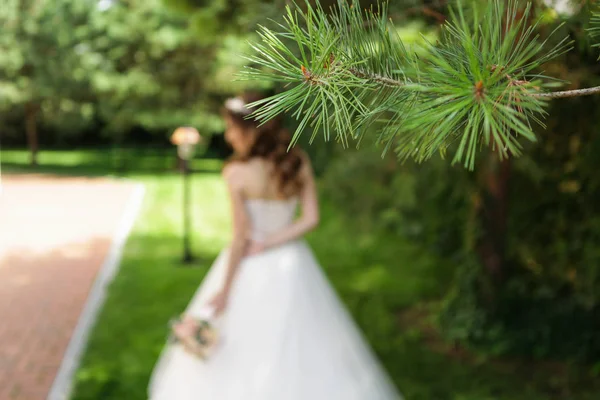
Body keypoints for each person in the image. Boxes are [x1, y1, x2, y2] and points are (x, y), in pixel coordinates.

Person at [148, 93, 402, 400]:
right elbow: (311, 218)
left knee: (245, 345)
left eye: (231, 129)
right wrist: (272, 241)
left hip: (248, 263)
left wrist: (225, 290)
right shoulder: (296, 160)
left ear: (249, 130)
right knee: (306, 341)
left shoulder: (235, 172)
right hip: (291, 262)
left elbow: (240, 236)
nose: (228, 136)